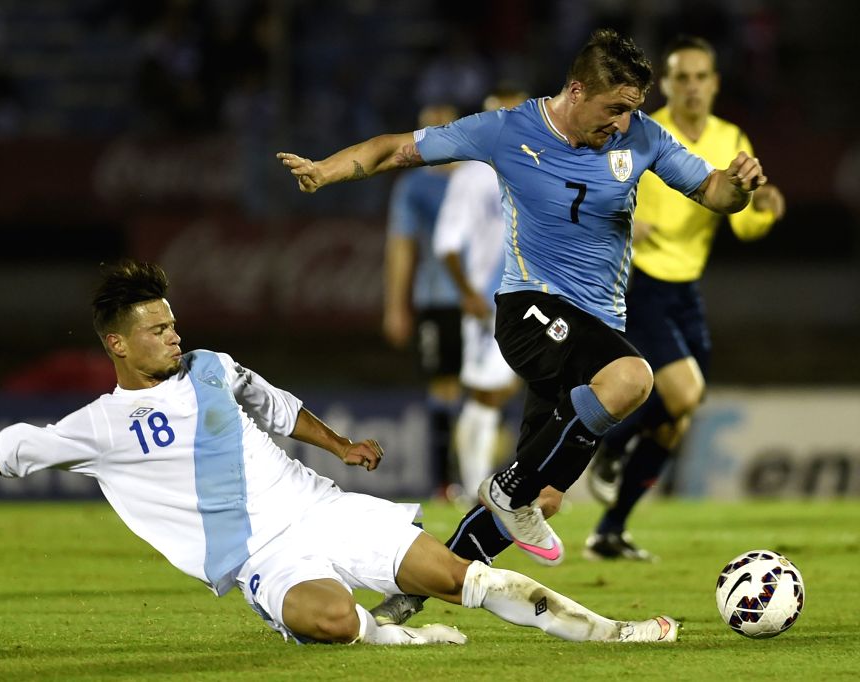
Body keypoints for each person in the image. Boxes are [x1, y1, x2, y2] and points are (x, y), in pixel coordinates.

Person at [0, 261, 679, 645]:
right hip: (258, 556)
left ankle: (613, 634)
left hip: (323, 509)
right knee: (327, 622)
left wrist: (341, 444)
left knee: (464, 577)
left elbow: (276, 406)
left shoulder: (211, 366)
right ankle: (387, 636)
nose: (174, 334)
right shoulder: (97, 426)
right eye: (156, 329)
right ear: (116, 344)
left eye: (173, 321)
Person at [277, 28, 768, 573]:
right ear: (577, 91)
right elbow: (397, 148)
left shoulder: (643, 138)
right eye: (614, 108)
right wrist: (325, 170)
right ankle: (508, 488)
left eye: (632, 110)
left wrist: (741, 186)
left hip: (595, 326)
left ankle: (418, 588)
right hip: (531, 308)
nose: (622, 123)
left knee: (544, 496)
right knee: (633, 377)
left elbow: (714, 192)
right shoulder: (507, 130)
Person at [584, 36, 786, 561]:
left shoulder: (729, 137)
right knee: (687, 392)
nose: (692, 86)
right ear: (665, 85)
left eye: (701, 76)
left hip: (686, 289)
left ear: (715, 84)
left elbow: (742, 225)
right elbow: (591, 192)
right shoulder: (643, 132)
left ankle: (609, 530)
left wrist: (762, 205)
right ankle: (607, 442)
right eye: (681, 77)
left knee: (677, 419)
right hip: (640, 283)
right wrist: (624, 224)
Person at [431, 85, 528, 503]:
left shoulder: (536, 166)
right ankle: (476, 487)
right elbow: (446, 242)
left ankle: (481, 483)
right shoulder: (471, 174)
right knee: (489, 392)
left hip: (530, 293)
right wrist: (468, 293)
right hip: (490, 298)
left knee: (504, 389)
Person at [383, 103, 464, 500]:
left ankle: (495, 478)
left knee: (490, 387)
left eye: (439, 128)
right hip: (437, 299)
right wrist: (396, 306)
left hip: (491, 299)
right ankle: (446, 482)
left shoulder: (479, 176)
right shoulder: (414, 186)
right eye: (423, 129)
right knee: (444, 385)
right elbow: (401, 247)